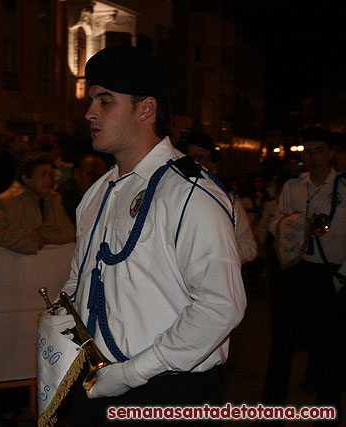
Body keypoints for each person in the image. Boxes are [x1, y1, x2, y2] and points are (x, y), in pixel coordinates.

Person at [56, 46, 246, 426]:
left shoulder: (190, 194)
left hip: (168, 394)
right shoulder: (99, 191)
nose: (89, 113)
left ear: (146, 109)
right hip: (98, 383)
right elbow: (81, 280)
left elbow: (220, 306)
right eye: (91, 100)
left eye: (105, 101)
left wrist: (130, 374)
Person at [261, 126, 345, 425]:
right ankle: (271, 416)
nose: (312, 157)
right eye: (307, 151)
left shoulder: (344, 189)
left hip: (328, 275)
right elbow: (275, 224)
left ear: (331, 153)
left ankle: (328, 417)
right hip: (294, 272)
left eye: (319, 150)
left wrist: (340, 279)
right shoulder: (293, 186)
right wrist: (295, 226)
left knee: (328, 353)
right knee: (280, 348)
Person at [175, 128, 257, 264]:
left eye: (209, 159)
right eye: (198, 158)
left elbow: (248, 247)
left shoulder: (226, 199)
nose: (205, 165)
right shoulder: (165, 195)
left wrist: (215, 256)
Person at [0, 152, 75, 254]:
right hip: (15, 264)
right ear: (26, 178)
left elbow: (70, 234)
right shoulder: (8, 201)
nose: (49, 180)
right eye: (43, 175)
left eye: (51, 175)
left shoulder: (54, 199)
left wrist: (43, 237)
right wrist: (29, 240)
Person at [56, 154, 108, 224]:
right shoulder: (62, 197)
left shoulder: (106, 193)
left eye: (100, 176)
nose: (96, 179)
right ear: (76, 173)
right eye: (90, 174)